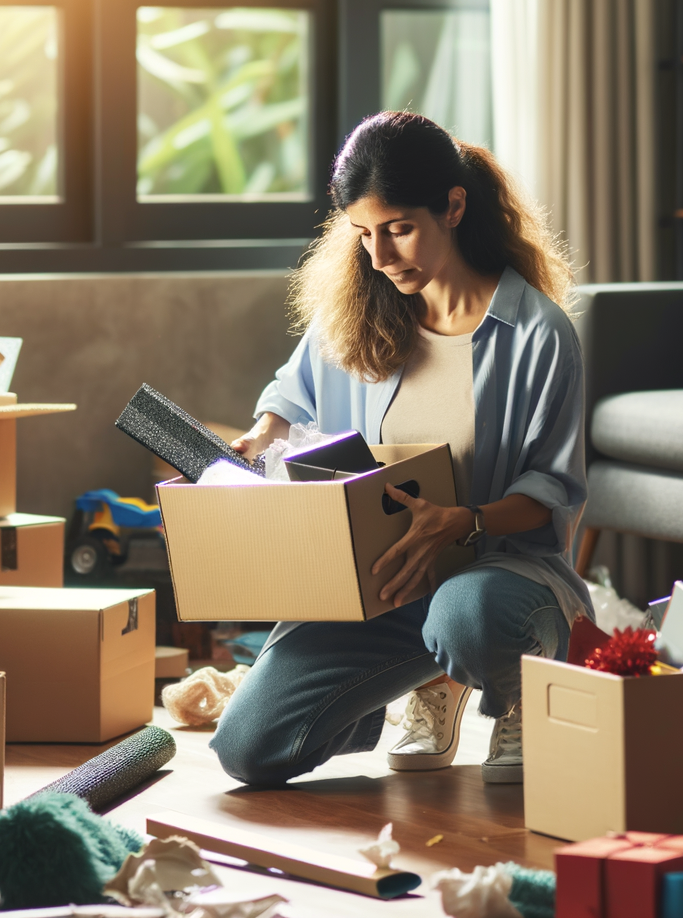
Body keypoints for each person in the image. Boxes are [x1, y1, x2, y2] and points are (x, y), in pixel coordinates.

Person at [211, 111, 589, 785]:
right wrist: (262, 434)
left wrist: (464, 522)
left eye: (398, 229)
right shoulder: (359, 311)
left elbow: (552, 493)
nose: (380, 257)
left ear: (453, 207)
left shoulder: (538, 333)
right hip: (385, 585)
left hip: (498, 581)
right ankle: (434, 678)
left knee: (467, 618)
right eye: (363, 234)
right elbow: (290, 395)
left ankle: (518, 689)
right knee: (248, 749)